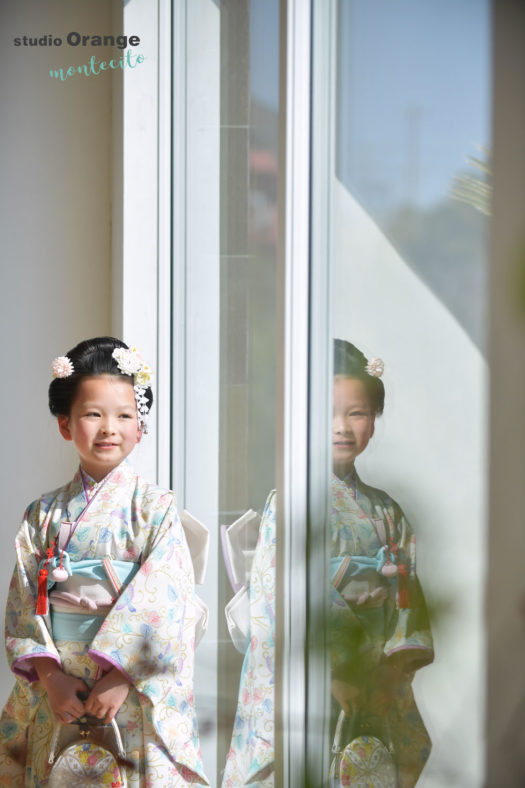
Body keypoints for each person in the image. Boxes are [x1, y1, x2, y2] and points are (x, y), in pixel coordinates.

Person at [0, 337, 209, 787]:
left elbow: (167, 600)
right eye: (93, 414)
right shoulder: (43, 514)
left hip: (128, 690)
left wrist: (119, 676)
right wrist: (49, 676)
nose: (109, 427)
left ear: (140, 429)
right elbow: (24, 601)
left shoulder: (155, 509)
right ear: (65, 424)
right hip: (61, 691)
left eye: (124, 416)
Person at [330, 339, 433, 787]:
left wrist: (392, 670)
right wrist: (344, 670)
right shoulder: (291, 503)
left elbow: (406, 591)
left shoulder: (385, 510)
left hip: (381, 678)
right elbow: (289, 591)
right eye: (328, 412)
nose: (343, 427)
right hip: (323, 677)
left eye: (358, 413)